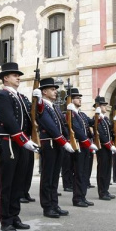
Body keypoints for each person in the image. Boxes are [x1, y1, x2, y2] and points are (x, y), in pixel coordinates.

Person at [0, 62, 39, 231]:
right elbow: (8, 119)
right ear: (6, 78)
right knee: (7, 183)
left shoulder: (21, 97)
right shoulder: (2, 95)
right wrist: (22, 139)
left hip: (22, 144)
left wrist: (38, 100)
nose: (18, 77)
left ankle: (14, 216)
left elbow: (33, 115)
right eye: (14, 75)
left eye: (18, 75)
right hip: (9, 142)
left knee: (19, 183)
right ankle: (5, 220)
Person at [35, 77, 74, 218]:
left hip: (58, 144)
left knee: (55, 176)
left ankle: (54, 204)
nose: (55, 92)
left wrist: (67, 139)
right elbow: (48, 124)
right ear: (44, 91)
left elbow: (62, 125)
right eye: (52, 89)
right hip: (49, 143)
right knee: (47, 176)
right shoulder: (41, 105)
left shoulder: (55, 106)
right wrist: (63, 141)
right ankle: (47, 207)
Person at [66, 88, 98, 207]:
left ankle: (83, 196)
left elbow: (91, 123)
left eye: (80, 98)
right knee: (79, 173)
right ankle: (77, 198)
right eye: (77, 98)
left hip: (85, 147)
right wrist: (88, 142)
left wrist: (97, 114)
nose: (80, 99)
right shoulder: (70, 113)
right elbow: (77, 130)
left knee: (85, 173)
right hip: (79, 145)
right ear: (71, 100)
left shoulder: (81, 114)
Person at [93, 96, 116, 200]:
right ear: (98, 106)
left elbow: (111, 132)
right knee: (102, 170)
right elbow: (100, 134)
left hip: (108, 148)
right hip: (102, 147)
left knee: (108, 169)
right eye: (103, 105)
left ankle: (106, 190)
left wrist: (115, 123)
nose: (105, 107)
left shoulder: (106, 119)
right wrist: (109, 145)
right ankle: (102, 192)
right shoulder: (97, 118)